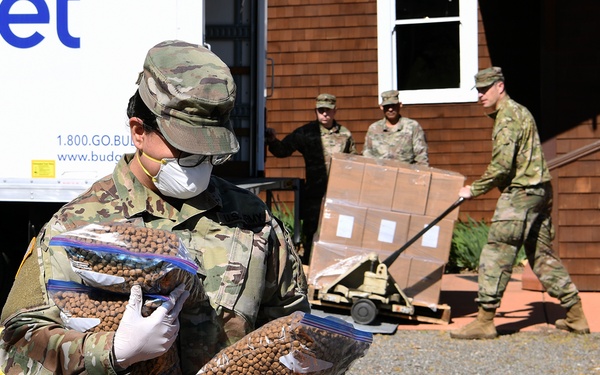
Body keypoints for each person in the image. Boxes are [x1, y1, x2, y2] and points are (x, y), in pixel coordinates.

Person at [0, 40, 310, 374]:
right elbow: (18, 340)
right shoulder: (75, 226)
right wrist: (111, 352)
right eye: (186, 149)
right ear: (139, 131)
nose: (199, 163)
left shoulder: (252, 220)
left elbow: (290, 326)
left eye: (210, 153)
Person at [450, 67, 589, 340]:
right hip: (540, 192)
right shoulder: (520, 111)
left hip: (521, 193)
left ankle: (484, 321)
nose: (480, 95)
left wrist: (473, 190)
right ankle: (576, 315)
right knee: (541, 255)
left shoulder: (507, 117)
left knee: (496, 252)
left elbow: (502, 166)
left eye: (485, 89)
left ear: (500, 87)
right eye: (477, 90)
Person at [265, 93, 357, 264]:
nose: (324, 114)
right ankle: (308, 267)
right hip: (315, 194)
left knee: (338, 232)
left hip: (338, 194)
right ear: (315, 111)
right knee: (311, 233)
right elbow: (283, 150)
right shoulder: (306, 133)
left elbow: (354, 162)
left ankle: (334, 265)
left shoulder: (345, 134)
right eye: (320, 110)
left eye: (328, 110)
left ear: (335, 111)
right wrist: (272, 140)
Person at [363, 90, 429, 166]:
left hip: (406, 174)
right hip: (380, 174)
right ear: (381, 107)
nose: (390, 109)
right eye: (387, 106)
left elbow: (421, 157)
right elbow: (367, 156)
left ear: (400, 105)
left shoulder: (412, 127)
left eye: (393, 106)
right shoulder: (374, 129)